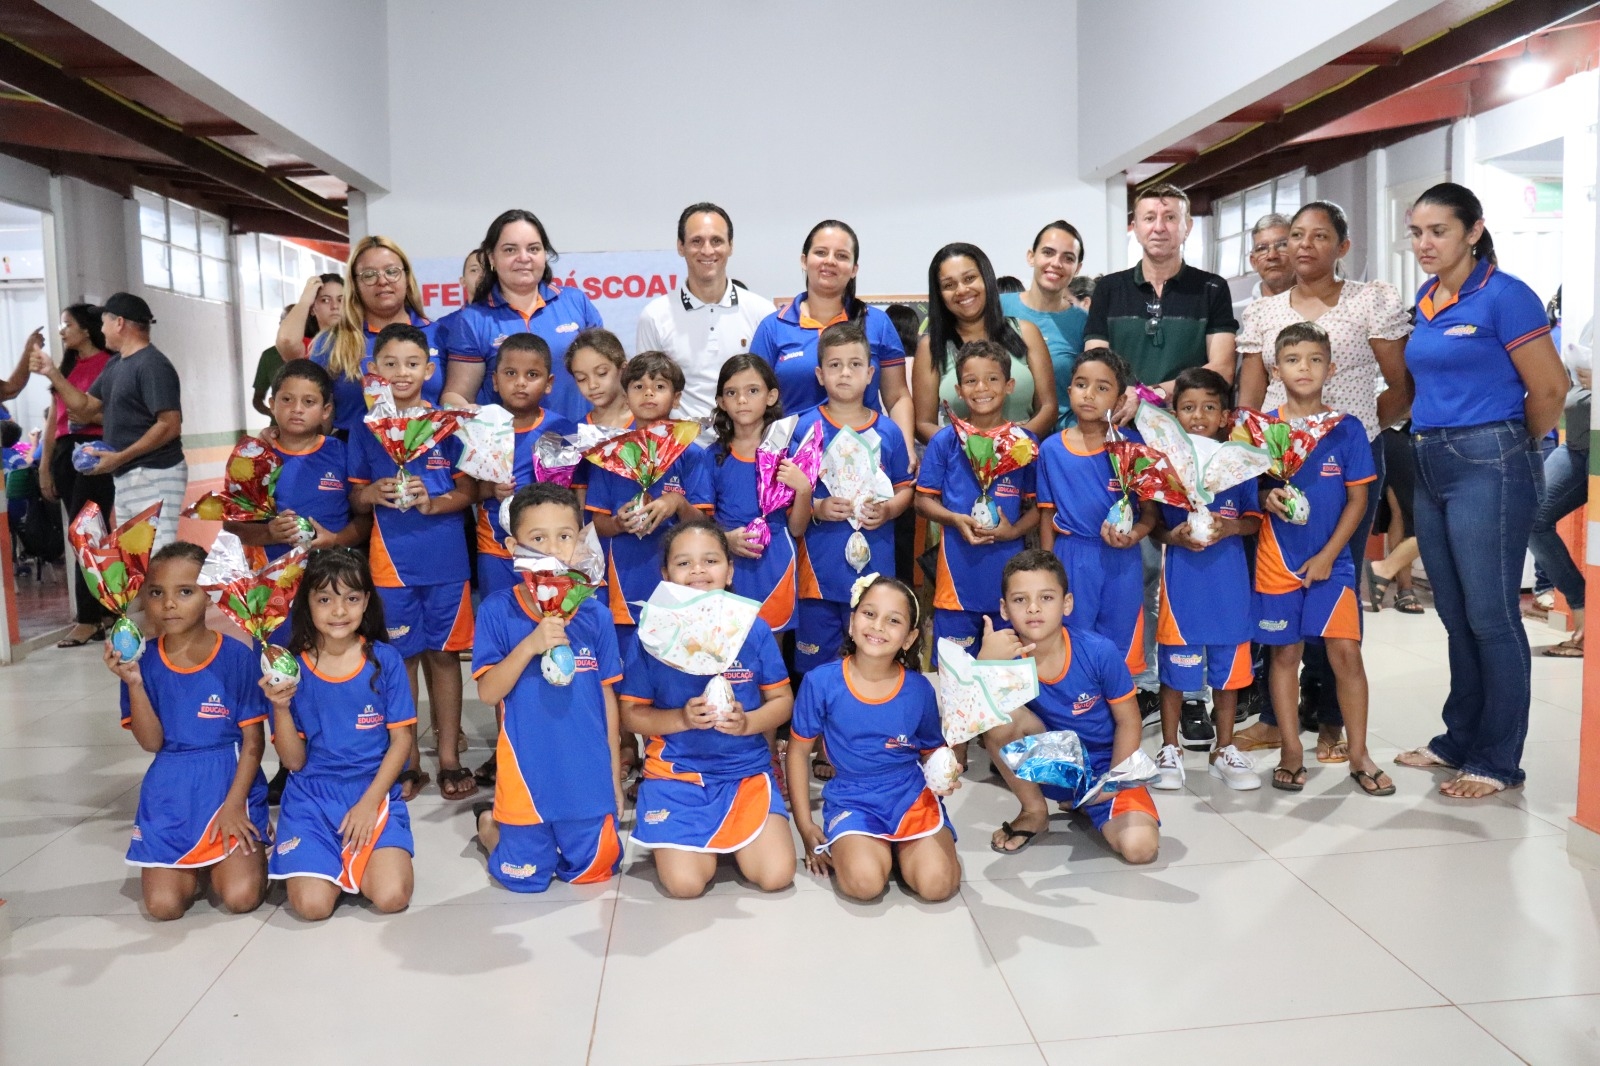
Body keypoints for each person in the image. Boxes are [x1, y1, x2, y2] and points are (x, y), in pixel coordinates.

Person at [1394, 183, 1567, 799]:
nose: (1424, 243)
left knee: (1492, 615)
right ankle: (1458, 739)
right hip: (1429, 457)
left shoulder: (1506, 296)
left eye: (1438, 231)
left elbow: (1551, 388)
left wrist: (1511, 445)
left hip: (1489, 459)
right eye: (1417, 233)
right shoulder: (1427, 297)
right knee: (1455, 612)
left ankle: (1497, 759)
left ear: (1473, 231)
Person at [1233, 201, 1412, 760]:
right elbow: (1249, 397)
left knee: (1334, 580)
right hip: (1276, 463)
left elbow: (1401, 384)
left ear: (1343, 246)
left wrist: (1357, 433)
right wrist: (1249, 460)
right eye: (1295, 236)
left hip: (1347, 462)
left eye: (1319, 236)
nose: (1304, 245)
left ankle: (1331, 718)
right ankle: (1275, 718)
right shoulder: (1264, 312)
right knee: (1279, 583)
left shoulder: (1370, 300)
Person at [619, 521, 796, 897]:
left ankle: (730, 835)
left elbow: (782, 702)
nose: (698, 570)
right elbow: (631, 713)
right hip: (676, 776)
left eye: (711, 560)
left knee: (776, 875)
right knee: (686, 885)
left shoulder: (754, 628)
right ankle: (696, 838)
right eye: (684, 563)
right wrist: (681, 718)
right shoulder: (650, 636)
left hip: (744, 773)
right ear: (665, 575)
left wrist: (748, 723)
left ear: (729, 571)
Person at [1254, 323, 1392, 796]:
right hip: (1277, 561)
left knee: (1346, 653)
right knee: (1284, 654)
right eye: (1293, 360)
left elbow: (1358, 501)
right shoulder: (1262, 430)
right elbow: (1248, 491)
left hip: (1332, 564)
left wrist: (1330, 556)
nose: (1305, 368)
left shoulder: (1346, 428)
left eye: (1315, 360)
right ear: (1276, 370)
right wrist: (1265, 497)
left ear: (1331, 369)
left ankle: (1360, 754)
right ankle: (1291, 750)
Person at [103, 541, 270, 920]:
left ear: (208, 594)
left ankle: (250, 846)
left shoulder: (237, 656)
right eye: (156, 593)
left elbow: (253, 743)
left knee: (241, 897)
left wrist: (234, 806)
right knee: (163, 907)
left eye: (185, 592)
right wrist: (134, 683)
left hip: (228, 783)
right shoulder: (141, 661)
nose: (169, 604)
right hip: (171, 791)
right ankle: (197, 863)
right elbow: (152, 743)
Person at [347, 324, 479, 801]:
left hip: (447, 562)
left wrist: (433, 502)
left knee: (444, 657)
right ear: (374, 370)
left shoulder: (449, 425)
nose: (401, 372)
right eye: (390, 364)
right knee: (399, 659)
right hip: (391, 565)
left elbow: (469, 491)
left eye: (411, 363)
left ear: (429, 369)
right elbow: (355, 499)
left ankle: (449, 758)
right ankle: (406, 762)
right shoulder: (365, 428)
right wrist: (371, 493)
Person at [471, 483, 623, 894]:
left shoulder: (595, 613)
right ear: (512, 546)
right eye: (538, 538)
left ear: (580, 542)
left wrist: (613, 779)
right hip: (527, 777)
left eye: (565, 536)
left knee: (593, 871)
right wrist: (530, 645)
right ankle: (490, 825)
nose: (553, 549)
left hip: (586, 776)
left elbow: (607, 700)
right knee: (526, 880)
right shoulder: (497, 610)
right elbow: (488, 693)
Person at [787, 574, 962, 902]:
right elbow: (797, 753)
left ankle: (908, 847)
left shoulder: (919, 689)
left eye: (893, 620)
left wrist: (947, 769)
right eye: (869, 614)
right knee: (864, 884)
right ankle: (878, 848)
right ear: (852, 622)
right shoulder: (820, 682)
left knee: (938, 886)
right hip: (852, 798)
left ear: (909, 638)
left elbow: (931, 749)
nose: (878, 626)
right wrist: (805, 825)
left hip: (910, 795)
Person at [978, 550, 1160, 860]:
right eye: (1020, 600)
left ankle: (1088, 803)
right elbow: (972, 721)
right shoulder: (1004, 654)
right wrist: (984, 665)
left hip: (1106, 766)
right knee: (998, 718)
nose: (1033, 608)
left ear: (1067, 603)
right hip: (1053, 766)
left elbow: (1129, 721)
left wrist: (1112, 783)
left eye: (1046, 597)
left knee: (1140, 848)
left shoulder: (1099, 652)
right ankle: (1034, 811)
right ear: (1004, 609)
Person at [264, 548, 416, 919]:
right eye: (324, 600)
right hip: (311, 798)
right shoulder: (291, 668)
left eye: (351, 598)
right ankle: (313, 854)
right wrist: (280, 708)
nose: (338, 611)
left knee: (392, 896)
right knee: (312, 907)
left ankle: (354, 861)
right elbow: (293, 762)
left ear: (367, 601)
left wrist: (368, 804)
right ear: (307, 604)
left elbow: (402, 742)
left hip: (372, 790)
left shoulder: (385, 660)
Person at [1149, 368, 1261, 792]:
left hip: (1229, 589)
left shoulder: (1239, 464)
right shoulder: (1166, 468)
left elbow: (1253, 520)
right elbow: (1155, 526)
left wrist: (1229, 527)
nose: (1198, 416)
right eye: (1188, 408)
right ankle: (1170, 748)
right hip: (1183, 590)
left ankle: (1224, 750)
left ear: (1225, 415)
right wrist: (1174, 536)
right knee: (1175, 673)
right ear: (1174, 415)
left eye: (1209, 407)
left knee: (1228, 676)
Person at [790, 321, 914, 673]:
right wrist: (817, 507)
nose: (845, 373)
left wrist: (889, 510)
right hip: (819, 572)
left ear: (871, 373)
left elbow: (905, 487)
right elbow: (786, 495)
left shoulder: (888, 431)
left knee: (871, 659)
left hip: (875, 572)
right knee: (815, 667)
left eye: (855, 364)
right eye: (835, 365)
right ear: (820, 374)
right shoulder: (804, 428)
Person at [915, 339, 1039, 662]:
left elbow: (1038, 509)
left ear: (1010, 385)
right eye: (971, 381)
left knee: (1009, 678)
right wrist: (955, 519)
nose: (982, 388)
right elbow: (922, 501)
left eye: (992, 379)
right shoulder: (945, 441)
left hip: (1010, 587)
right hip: (956, 586)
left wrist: (1013, 532)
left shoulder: (1024, 443)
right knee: (955, 676)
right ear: (958, 390)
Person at [1035, 349, 1155, 677]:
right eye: (1081, 384)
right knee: (1072, 645)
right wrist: (1047, 568)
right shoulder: (1051, 449)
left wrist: (1134, 535)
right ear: (1069, 390)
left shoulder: (1133, 447)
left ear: (1120, 400)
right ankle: (1079, 704)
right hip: (1071, 557)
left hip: (1122, 560)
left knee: (1120, 650)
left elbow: (1150, 514)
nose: (1089, 394)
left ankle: (1118, 705)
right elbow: (1046, 514)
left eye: (1102, 388)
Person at [748, 220, 914, 450]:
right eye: (821, 252)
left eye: (842, 256)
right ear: (804, 260)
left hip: (866, 457)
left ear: (854, 269)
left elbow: (897, 398)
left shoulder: (877, 323)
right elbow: (754, 400)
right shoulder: (772, 327)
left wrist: (905, 450)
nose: (830, 261)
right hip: (793, 458)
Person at [586, 351, 712, 641]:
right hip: (625, 577)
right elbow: (598, 523)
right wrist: (618, 523)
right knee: (628, 656)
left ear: (676, 398)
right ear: (626, 397)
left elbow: (705, 525)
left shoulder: (691, 453)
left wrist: (676, 503)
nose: (648, 393)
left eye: (659, 386)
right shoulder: (609, 453)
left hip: (680, 581)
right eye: (638, 386)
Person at [1083, 183, 1237, 418]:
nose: (1159, 227)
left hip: (1188, 424)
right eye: (1149, 218)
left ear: (1188, 227)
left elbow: (1222, 369)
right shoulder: (1108, 288)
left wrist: (1149, 395)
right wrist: (1126, 397)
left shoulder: (1212, 288)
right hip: (1119, 420)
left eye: (1170, 218)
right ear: (1135, 228)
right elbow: (1094, 364)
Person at [441, 209, 604, 421]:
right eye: (510, 250)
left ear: (544, 255)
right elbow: (456, 396)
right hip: (509, 441)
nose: (524, 258)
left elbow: (607, 375)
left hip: (579, 436)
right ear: (491, 257)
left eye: (533, 249)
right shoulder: (474, 319)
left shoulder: (575, 302)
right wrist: (478, 422)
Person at [225, 360, 368, 581]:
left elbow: (366, 518)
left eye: (309, 402)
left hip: (333, 578)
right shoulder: (251, 458)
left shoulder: (343, 453)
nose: (297, 409)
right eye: (287, 399)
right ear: (272, 404)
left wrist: (336, 540)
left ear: (326, 410)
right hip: (274, 583)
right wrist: (269, 533)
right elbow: (232, 525)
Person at [64, 293, 185, 552]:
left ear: (119, 322)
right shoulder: (116, 364)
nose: (101, 329)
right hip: (127, 475)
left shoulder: (152, 365)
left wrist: (120, 457)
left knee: (155, 557)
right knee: (133, 560)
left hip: (153, 473)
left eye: (104, 322)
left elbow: (169, 425)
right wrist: (51, 372)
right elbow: (84, 408)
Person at [23, 306, 115, 647]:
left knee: (85, 533)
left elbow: (118, 415)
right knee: (88, 534)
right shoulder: (67, 367)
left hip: (96, 451)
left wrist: (90, 419)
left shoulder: (109, 364)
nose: (62, 331)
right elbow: (53, 421)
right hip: (64, 452)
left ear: (87, 330)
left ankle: (88, 619)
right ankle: (105, 610)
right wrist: (44, 466)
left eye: (68, 325)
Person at [636, 203, 778, 423]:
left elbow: (771, 389)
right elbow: (646, 395)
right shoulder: (655, 316)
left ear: (730, 246)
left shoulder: (762, 312)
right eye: (696, 241)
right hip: (680, 442)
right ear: (680, 246)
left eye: (716, 241)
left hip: (747, 441)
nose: (707, 250)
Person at [913, 243, 1056, 441]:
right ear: (939, 294)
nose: (962, 290)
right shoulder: (930, 347)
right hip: (960, 455)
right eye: (949, 285)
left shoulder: (1026, 332)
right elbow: (923, 424)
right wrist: (969, 447)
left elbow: (1048, 407)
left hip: (1024, 452)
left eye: (969, 278)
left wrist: (1012, 445)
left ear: (986, 278)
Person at [302, 238, 441, 438]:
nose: (382, 281)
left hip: (429, 449)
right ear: (355, 284)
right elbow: (316, 420)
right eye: (369, 275)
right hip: (352, 453)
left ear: (407, 277)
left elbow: (455, 405)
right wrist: (286, 435)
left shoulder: (439, 335)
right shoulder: (330, 342)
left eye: (392, 271)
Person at [473, 334, 578, 596]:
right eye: (510, 373)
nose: (520, 382)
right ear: (495, 380)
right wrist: (491, 490)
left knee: (549, 614)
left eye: (532, 375)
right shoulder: (481, 427)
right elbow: (466, 491)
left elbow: (573, 492)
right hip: (495, 549)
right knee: (499, 612)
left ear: (549, 383)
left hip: (548, 552)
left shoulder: (561, 429)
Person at [710, 354, 808, 633]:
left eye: (752, 391)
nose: (742, 400)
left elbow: (798, 528)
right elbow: (699, 522)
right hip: (728, 562)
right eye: (732, 393)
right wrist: (725, 540)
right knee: (725, 641)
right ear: (721, 402)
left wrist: (803, 489)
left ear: (771, 396)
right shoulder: (712, 456)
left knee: (771, 643)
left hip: (775, 560)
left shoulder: (790, 452)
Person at [1525, 324, 1590, 658]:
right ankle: (1584, 607)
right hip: (1577, 443)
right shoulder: (1592, 320)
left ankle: (1588, 626)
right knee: (1530, 515)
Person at [1002, 221, 1090, 429]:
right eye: (1048, 253)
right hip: (1000, 438)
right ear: (1031, 256)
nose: (1056, 263)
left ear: (1077, 268)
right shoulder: (998, 308)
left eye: (1068, 258)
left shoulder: (1084, 323)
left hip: (1061, 438)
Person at [1367, 425, 1425, 615]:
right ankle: (1395, 578)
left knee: (1401, 511)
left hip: (1421, 431)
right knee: (1419, 515)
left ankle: (1397, 581)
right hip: (1395, 429)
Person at [567, 328, 634, 432]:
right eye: (581, 379)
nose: (592, 385)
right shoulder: (575, 434)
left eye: (601, 373)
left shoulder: (650, 422)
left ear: (623, 369)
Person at [275, 273, 345, 364]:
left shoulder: (362, 342)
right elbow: (287, 340)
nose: (335, 306)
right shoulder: (309, 348)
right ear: (312, 309)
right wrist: (305, 300)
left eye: (341, 300)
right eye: (325, 300)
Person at [251, 305, 296, 422]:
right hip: (279, 428)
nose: (290, 327)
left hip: (314, 429)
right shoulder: (269, 356)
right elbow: (257, 399)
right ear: (280, 325)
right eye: (285, 322)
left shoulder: (318, 351)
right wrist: (272, 413)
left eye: (296, 322)